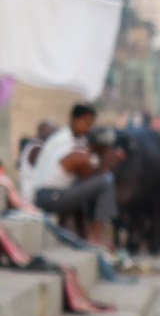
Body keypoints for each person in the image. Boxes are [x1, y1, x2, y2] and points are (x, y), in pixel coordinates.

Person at [26, 104, 122, 250]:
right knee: (106, 181)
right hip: (48, 196)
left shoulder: (71, 140)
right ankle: (95, 238)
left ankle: (81, 236)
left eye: (91, 124)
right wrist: (109, 163)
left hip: (49, 193)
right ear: (73, 119)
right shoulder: (69, 146)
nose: (88, 128)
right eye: (85, 123)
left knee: (83, 190)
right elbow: (89, 179)